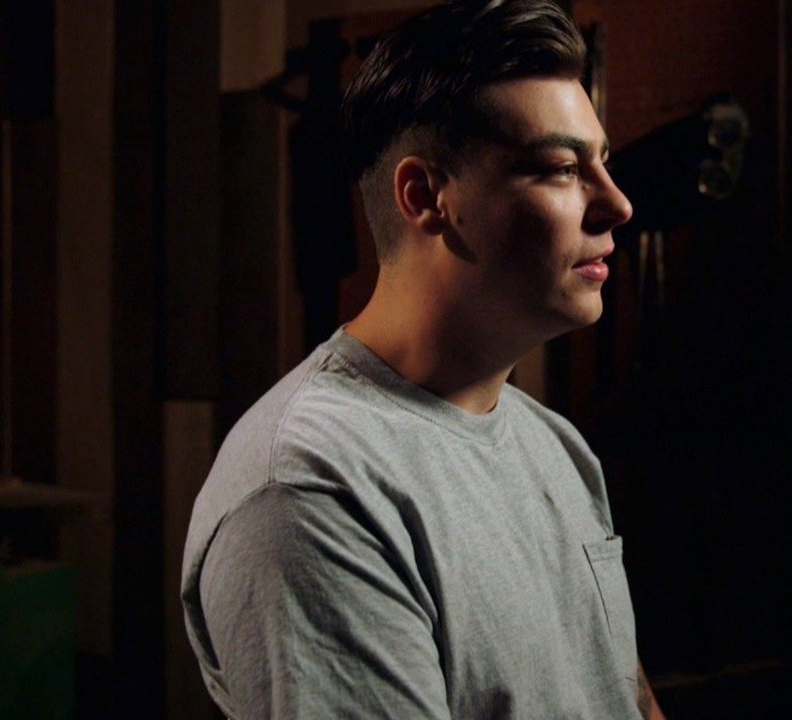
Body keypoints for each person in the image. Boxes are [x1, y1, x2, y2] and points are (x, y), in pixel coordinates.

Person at [180, 1, 667, 718]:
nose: (617, 204)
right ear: (426, 196)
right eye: (562, 169)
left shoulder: (556, 447)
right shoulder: (312, 491)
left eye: (604, 164)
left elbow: (622, 695)